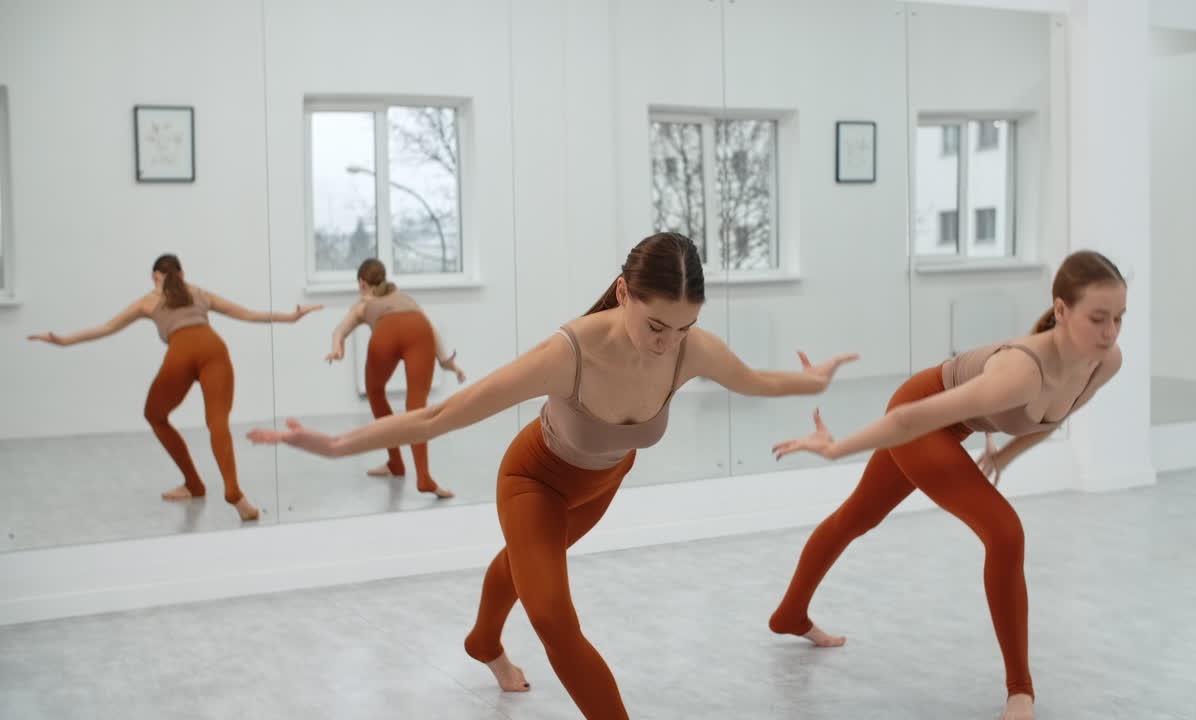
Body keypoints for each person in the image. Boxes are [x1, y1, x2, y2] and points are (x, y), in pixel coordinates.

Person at [248, 232, 859, 719]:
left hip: (600, 486)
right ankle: (499, 649)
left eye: (683, 328)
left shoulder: (690, 347)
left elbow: (757, 381)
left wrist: (814, 382)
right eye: (656, 326)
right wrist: (335, 444)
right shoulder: (571, 353)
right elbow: (440, 414)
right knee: (553, 621)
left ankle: (482, 642)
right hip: (535, 480)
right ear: (623, 293)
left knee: (522, 562)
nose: (667, 344)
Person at [768, 250, 1127, 720]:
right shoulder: (1020, 372)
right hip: (920, 415)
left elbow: (1055, 416)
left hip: (952, 426)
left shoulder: (1104, 363)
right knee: (1005, 533)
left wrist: (1003, 455)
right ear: (1060, 309)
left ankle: (790, 614)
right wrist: (836, 448)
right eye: (1098, 318)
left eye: (1119, 318)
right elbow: (910, 419)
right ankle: (1020, 691)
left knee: (858, 516)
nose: (1110, 332)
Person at [28, 254, 321, 521]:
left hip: (180, 353)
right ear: (182, 273)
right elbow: (247, 314)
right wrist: (290, 318)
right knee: (218, 422)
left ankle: (194, 483)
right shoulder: (199, 293)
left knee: (155, 415)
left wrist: (63, 341)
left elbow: (106, 328)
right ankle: (235, 494)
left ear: (156, 276)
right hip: (213, 348)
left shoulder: (148, 301)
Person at [326, 258, 465, 497]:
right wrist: (445, 361)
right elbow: (430, 328)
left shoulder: (362, 304)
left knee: (375, 392)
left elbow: (339, 331)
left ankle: (396, 462)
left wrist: (337, 349)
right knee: (417, 408)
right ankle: (424, 477)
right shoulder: (406, 299)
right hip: (419, 329)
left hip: (387, 333)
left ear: (362, 283)